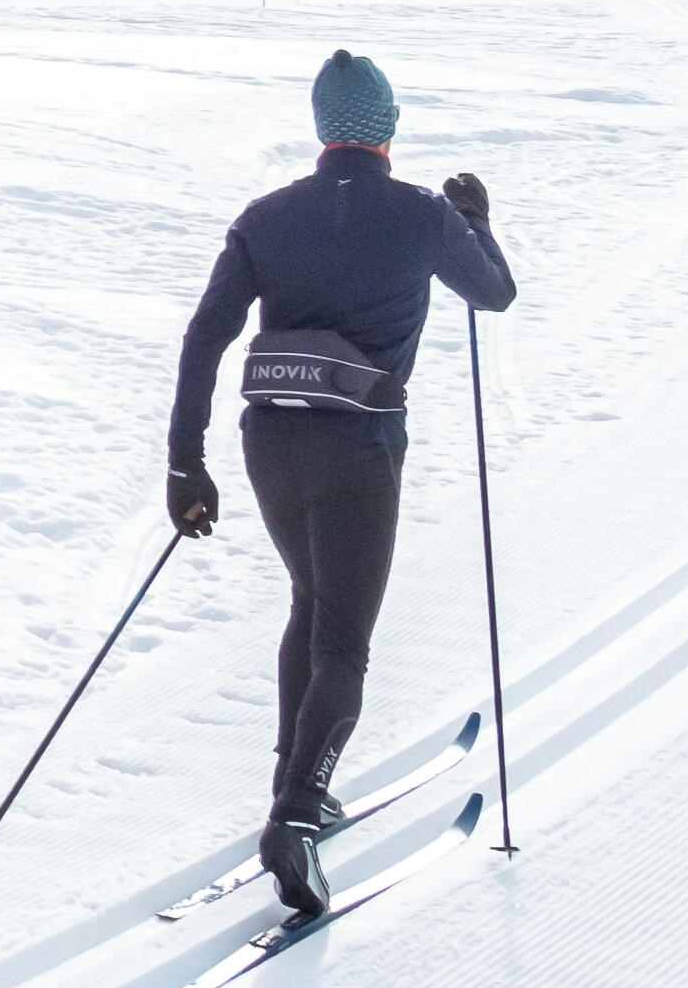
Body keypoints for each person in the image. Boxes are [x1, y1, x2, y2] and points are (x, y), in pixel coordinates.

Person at [164, 49, 514, 922]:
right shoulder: (423, 216)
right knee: (344, 644)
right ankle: (294, 816)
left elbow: (206, 336)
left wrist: (184, 461)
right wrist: (475, 221)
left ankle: (297, 784)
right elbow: (495, 295)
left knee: (310, 604)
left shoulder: (267, 218)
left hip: (269, 445)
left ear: (324, 132)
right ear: (387, 130)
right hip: (359, 454)